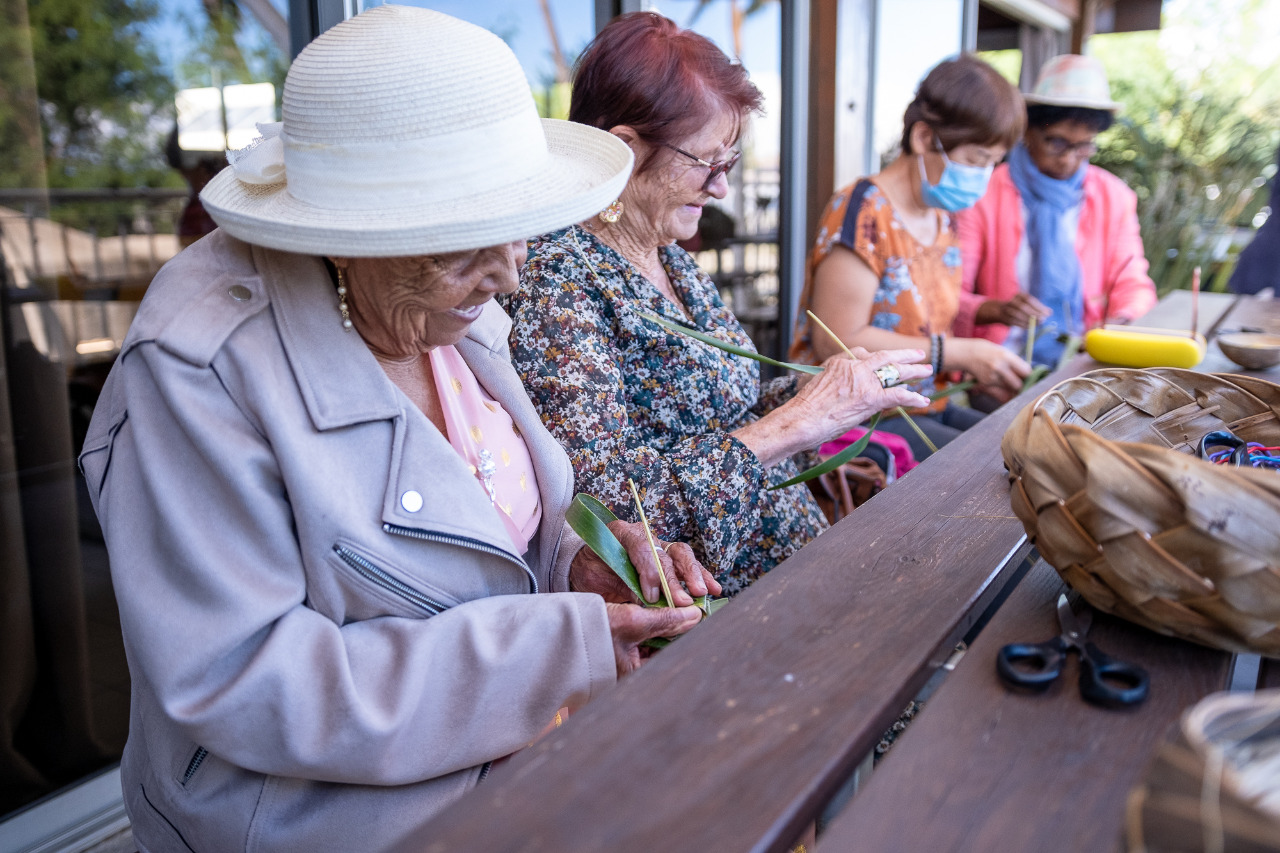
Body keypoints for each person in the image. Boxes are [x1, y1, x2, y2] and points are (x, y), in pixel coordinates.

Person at [77, 8, 719, 851]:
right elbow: (246, 679)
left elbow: (486, 530)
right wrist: (559, 645)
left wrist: (580, 567)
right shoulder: (200, 367)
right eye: (461, 242)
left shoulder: (450, 306)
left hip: (515, 753)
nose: (511, 271)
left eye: (518, 222)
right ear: (345, 239)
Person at [503, 12, 932, 593]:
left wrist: (828, 391)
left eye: (727, 164)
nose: (722, 188)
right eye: (707, 163)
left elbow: (733, 408)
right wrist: (799, 423)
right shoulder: (558, 280)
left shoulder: (669, 256)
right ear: (625, 150)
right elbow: (605, 508)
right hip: (713, 613)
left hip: (791, 566)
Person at [793, 54, 1031, 460]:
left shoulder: (944, 217)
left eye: (993, 163)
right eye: (976, 160)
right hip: (860, 416)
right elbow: (838, 340)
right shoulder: (863, 210)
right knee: (995, 463)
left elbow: (923, 314)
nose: (983, 176)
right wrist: (956, 352)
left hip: (925, 401)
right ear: (924, 138)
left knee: (1028, 446)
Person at [955, 53, 1157, 401]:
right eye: (1056, 142)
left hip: (1083, 366)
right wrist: (994, 309)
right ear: (1027, 131)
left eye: (1083, 146)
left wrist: (1122, 322)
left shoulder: (1114, 197)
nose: (1068, 158)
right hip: (999, 369)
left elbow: (1133, 282)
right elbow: (948, 293)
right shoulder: (981, 194)